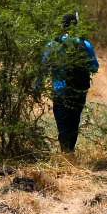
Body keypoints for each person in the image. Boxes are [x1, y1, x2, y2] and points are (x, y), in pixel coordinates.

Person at [43, 14, 99, 153]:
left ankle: (65, 153)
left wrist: (37, 87)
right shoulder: (85, 44)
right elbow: (94, 67)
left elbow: (43, 67)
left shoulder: (53, 45)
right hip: (79, 90)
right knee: (74, 122)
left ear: (62, 26)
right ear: (76, 26)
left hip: (60, 89)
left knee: (62, 123)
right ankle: (70, 152)